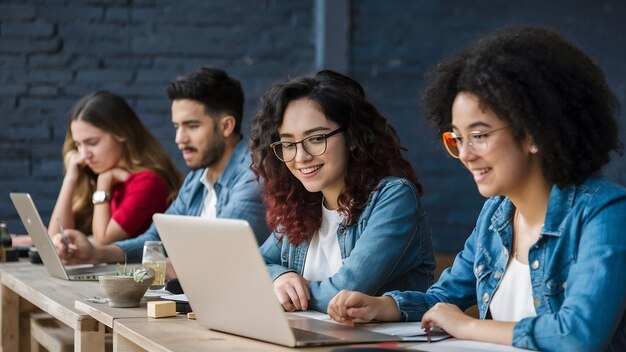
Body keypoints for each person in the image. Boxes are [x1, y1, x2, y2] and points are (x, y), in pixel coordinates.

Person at [327, 26, 626, 352]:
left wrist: (470, 326)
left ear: (535, 134)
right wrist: (384, 306)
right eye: (457, 138)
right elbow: (443, 298)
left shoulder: (605, 212)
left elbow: (579, 335)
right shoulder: (497, 214)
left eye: (480, 135)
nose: (466, 154)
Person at [249, 70, 435, 313]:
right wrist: (279, 278)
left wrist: (288, 296)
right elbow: (254, 264)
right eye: (287, 144)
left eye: (316, 139)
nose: (301, 156)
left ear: (351, 137)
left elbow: (342, 294)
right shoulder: (303, 205)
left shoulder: (393, 198)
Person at [53, 67, 269, 273]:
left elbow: (218, 251)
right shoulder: (198, 177)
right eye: (177, 126)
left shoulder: (252, 176)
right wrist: (95, 254)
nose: (179, 139)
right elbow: (158, 240)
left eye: (192, 126)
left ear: (226, 126)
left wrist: (169, 267)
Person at [46, 91, 183, 245]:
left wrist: (103, 185)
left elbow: (103, 239)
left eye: (92, 143)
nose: (84, 155)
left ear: (121, 134)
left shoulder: (148, 182)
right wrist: (70, 179)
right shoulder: (98, 174)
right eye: (78, 145)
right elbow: (56, 238)